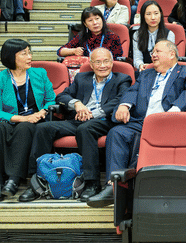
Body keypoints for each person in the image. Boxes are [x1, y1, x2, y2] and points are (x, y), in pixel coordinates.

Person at [88, 40, 186, 208]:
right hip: (142, 121)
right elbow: (132, 91)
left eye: (157, 51)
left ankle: (131, 190)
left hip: (170, 123)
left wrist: (172, 113)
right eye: (152, 51)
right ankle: (113, 186)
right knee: (117, 132)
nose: (153, 55)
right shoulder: (147, 74)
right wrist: (124, 105)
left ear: (172, 54)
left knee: (139, 142)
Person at [24, 47, 132, 202]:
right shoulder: (82, 78)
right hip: (79, 119)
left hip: (104, 121)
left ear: (112, 62)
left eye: (106, 61)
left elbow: (120, 100)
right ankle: (37, 181)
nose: (103, 65)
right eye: (98, 62)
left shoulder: (122, 79)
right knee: (43, 128)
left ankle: (92, 183)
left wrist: (92, 114)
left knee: (85, 128)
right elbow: (62, 95)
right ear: (91, 64)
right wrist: (77, 105)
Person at [0, 39, 57, 202]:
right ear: (11, 57)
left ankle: (12, 181)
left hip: (33, 122)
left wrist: (41, 112)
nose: (30, 56)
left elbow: (51, 100)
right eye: (24, 53)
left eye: (29, 52)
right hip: (8, 121)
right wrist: (22, 117)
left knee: (25, 127)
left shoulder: (39, 74)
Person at [58, 7, 124, 60]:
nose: (95, 23)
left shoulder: (113, 37)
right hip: (86, 71)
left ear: (102, 20)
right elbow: (60, 51)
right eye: (90, 20)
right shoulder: (81, 36)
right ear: (85, 24)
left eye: (97, 18)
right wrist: (73, 51)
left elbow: (118, 59)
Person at [132, 0, 176, 71]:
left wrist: (152, 66)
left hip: (164, 70)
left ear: (160, 14)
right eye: (148, 14)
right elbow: (137, 59)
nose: (153, 17)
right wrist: (141, 65)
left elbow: (169, 58)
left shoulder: (169, 34)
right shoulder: (137, 35)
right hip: (144, 71)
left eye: (156, 13)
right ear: (143, 16)